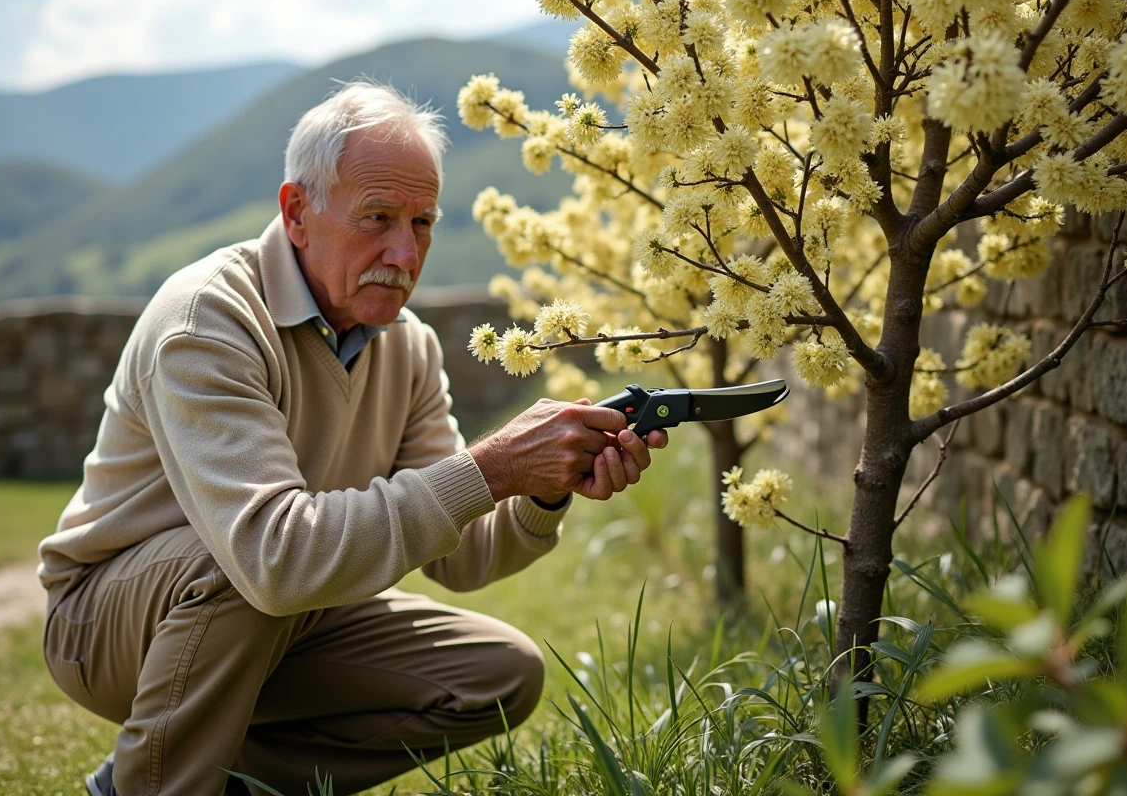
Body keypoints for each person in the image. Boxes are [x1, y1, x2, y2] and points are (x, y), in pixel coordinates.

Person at [37, 81, 667, 796]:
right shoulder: (206, 320)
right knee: (246, 565)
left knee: (496, 675)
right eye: (378, 217)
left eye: (423, 222)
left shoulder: (409, 348)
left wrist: (541, 489)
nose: (404, 251)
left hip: (287, 616)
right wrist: (491, 468)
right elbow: (273, 560)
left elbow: (460, 555)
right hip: (108, 628)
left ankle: (227, 778)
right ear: (297, 213)